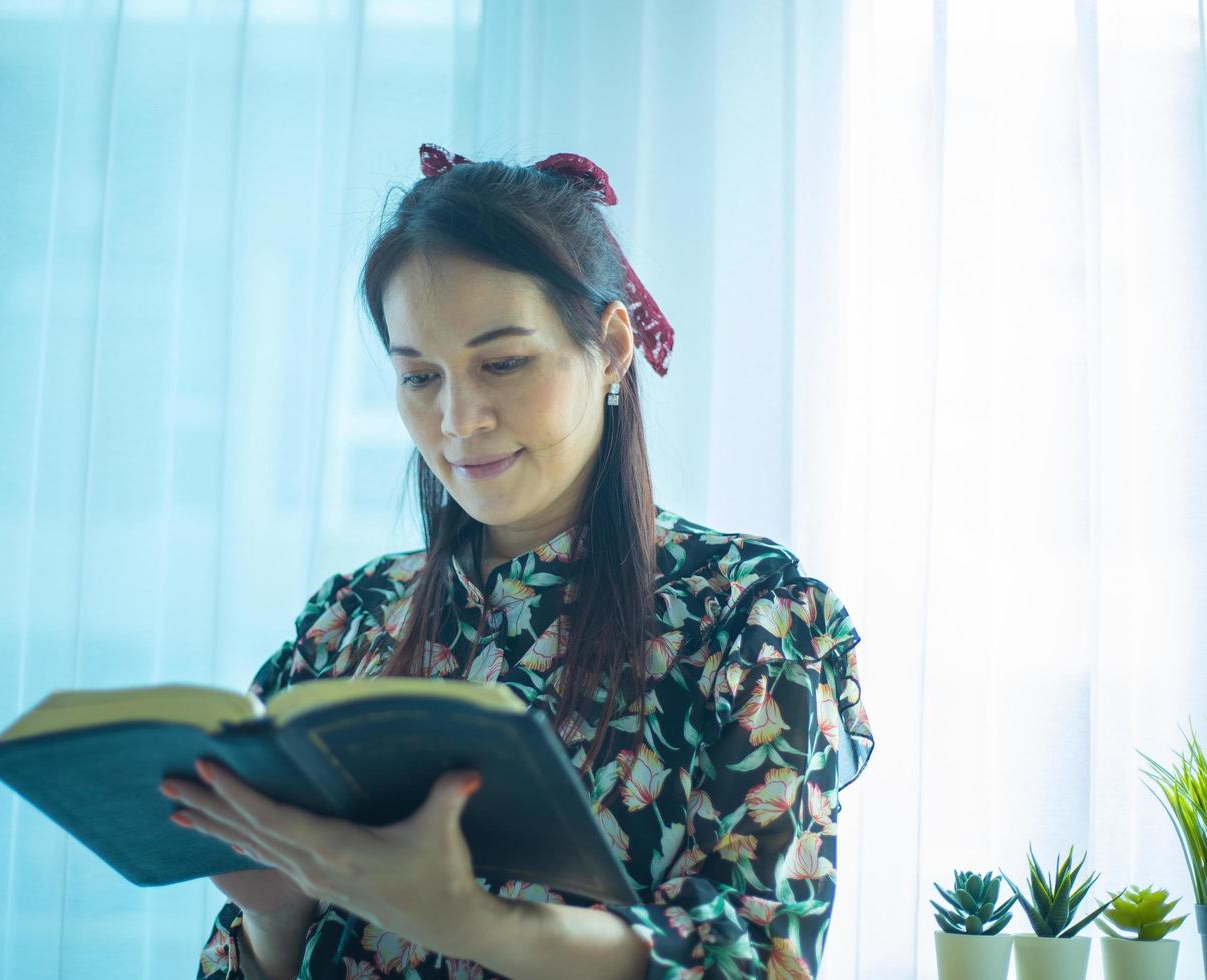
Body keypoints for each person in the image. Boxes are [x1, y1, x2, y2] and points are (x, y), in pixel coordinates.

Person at [162, 144, 875, 980]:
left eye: (502, 363)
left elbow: (763, 958)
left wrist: (477, 924)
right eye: (419, 377)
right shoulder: (348, 620)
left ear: (611, 347)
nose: (458, 420)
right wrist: (272, 916)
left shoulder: (752, 620)